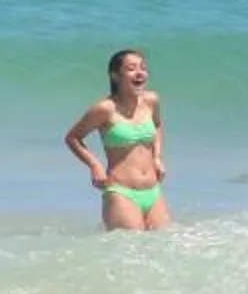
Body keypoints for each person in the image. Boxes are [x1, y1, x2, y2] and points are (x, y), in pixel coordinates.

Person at [66, 48, 170, 231]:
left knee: (164, 243)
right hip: (122, 192)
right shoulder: (105, 109)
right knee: (131, 246)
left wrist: (157, 157)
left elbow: (157, 125)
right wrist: (95, 165)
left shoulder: (151, 100)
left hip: (153, 190)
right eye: (131, 68)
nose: (140, 73)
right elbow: (73, 138)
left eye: (143, 68)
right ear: (115, 76)